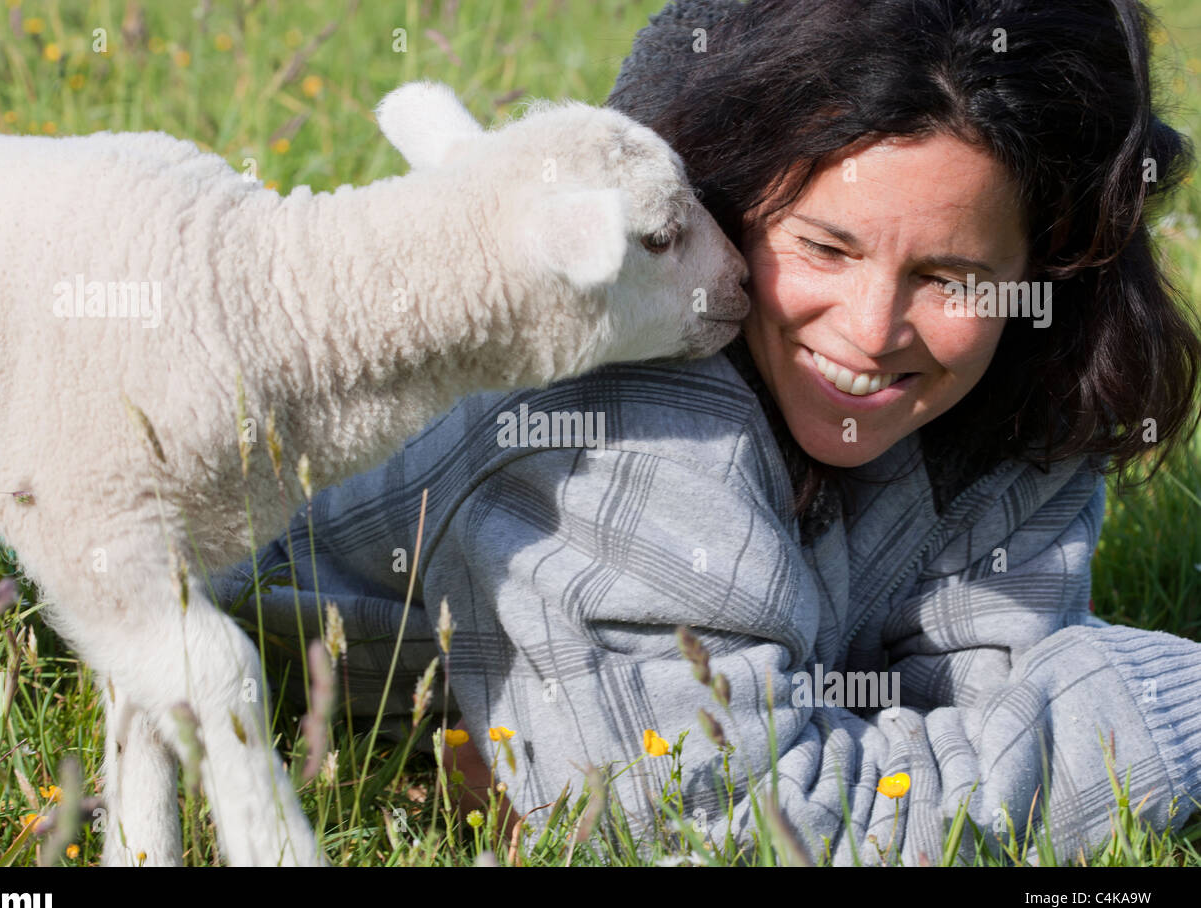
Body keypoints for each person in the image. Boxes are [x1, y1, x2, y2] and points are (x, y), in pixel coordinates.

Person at [214, 0, 1201, 864]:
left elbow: (991, 695)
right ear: (721, 205)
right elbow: (745, 827)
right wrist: (1168, 713)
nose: (868, 330)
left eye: (949, 277)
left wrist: (965, 733)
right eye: (824, 245)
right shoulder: (623, 427)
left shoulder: (1015, 384)